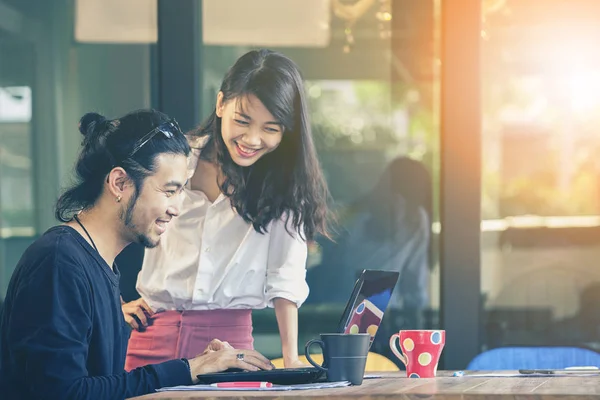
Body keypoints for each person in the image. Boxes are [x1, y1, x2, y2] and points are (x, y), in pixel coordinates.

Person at [0, 110, 272, 400]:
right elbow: (65, 394)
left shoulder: (97, 264)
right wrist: (188, 368)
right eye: (169, 191)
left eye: (181, 192)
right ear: (119, 183)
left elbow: (103, 386)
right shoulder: (58, 263)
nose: (176, 208)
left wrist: (196, 366)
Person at [123, 49, 330, 370]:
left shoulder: (286, 186)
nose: (252, 139)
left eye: (271, 128)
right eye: (242, 121)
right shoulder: (174, 161)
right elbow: (117, 225)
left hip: (229, 345)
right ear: (221, 104)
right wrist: (114, 304)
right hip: (150, 336)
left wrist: (291, 360)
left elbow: (284, 278)